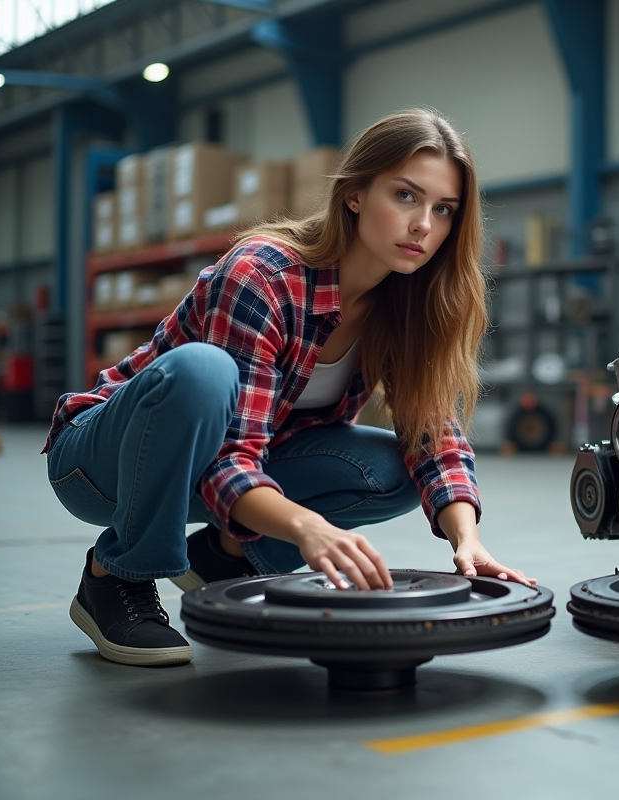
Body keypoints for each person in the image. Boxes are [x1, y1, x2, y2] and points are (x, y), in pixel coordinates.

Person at [44, 108, 533, 668]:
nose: (424, 224)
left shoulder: (406, 308)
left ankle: (226, 556)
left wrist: (466, 542)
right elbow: (230, 453)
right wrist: (308, 529)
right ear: (353, 194)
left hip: (224, 472)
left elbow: (434, 438)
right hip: (104, 467)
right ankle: (115, 577)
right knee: (203, 371)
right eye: (405, 196)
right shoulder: (263, 274)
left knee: (394, 470)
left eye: (443, 209)